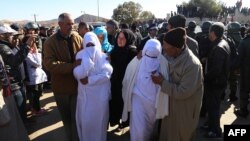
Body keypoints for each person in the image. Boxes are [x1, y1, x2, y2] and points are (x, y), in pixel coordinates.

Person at [151, 27, 203, 141]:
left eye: (166, 45)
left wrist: (162, 82)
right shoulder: (169, 55)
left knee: (180, 135)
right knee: (167, 134)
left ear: (176, 48)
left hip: (184, 110)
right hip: (170, 107)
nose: (163, 48)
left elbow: (183, 92)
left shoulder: (192, 65)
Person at [43, 13, 83, 141]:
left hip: (77, 87)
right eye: (68, 24)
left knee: (76, 119)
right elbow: (49, 64)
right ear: (59, 24)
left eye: (72, 23)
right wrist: (72, 66)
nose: (71, 26)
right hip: (62, 89)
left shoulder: (77, 37)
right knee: (67, 120)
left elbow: (87, 53)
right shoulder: (50, 42)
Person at [122, 39, 169, 141]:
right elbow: (126, 81)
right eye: (149, 56)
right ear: (144, 52)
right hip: (137, 100)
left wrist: (161, 81)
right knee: (138, 130)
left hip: (154, 104)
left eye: (154, 57)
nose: (151, 60)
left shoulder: (163, 63)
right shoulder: (136, 62)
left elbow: (166, 82)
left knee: (148, 129)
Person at [74, 32, 113, 141]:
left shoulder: (103, 56)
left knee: (99, 123)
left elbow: (106, 74)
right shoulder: (80, 56)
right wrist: (86, 65)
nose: (91, 48)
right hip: (85, 99)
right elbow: (78, 75)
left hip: (100, 99)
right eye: (88, 45)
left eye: (93, 45)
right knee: (86, 122)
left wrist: (90, 80)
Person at [203, 22, 230, 139]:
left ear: (213, 33)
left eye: (209, 31)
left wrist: (205, 77)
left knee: (214, 107)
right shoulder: (221, 43)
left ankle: (215, 131)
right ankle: (210, 125)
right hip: (217, 81)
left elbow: (216, 70)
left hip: (216, 82)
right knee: (211, 105)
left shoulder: (219, 47)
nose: (208, 34)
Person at [109, 29, 138, 128]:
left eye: (123, 38)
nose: (119, 40)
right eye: (118, 38)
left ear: (128, 39)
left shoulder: (133, 52)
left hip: (127, 84)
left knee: (125, 104)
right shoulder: (114, 50)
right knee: (115, 103)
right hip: (115, 83)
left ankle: (125, 123)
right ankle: (116, 121)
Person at [24, 38, 47, 116]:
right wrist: (36, 52)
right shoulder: (27, 54)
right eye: (32, 43)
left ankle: (35, 108)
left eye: (34, 43)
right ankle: (36, 110)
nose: (34, 45)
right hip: (32, 78)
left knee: (38, 93)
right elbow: (38, 63)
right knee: (35, 95)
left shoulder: (31, 53)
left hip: (37, 77)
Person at [234, 30, 250, 118]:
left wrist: (235, 68)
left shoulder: (244, 42)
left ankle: (243, 111)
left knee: (244, 90)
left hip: (246, 71)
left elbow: (238, 57)